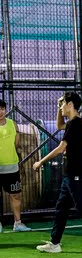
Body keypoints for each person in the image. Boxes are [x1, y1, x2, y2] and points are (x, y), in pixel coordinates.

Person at [33, 92, 82, 255]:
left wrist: (41, 162)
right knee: (61, 208)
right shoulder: (75, 123)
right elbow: (59, 125)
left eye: (63, 104)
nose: (61, 107)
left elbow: (61, 148)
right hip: (70, 174)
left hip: (76, 173)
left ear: (70, 104)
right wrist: (58, 108)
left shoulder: (76, 123)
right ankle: (55, 242)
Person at [0, 99, 30, 233]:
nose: (0, 112)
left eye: (2, 109)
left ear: (5, 110)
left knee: (16, 195)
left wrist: (18, 160)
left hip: (12, 167)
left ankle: (18, 223)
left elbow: (16, 144)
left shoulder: (13, 124)